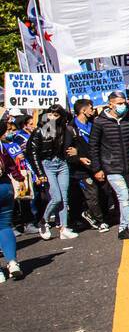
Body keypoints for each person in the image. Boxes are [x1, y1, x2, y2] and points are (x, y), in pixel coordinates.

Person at [90, 91, 129, 242]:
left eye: (124, 103)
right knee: (123, 196)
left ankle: (122, 228)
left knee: (128, 198)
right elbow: (94, 146)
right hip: (111, 166)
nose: (123, 106)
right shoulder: (100, 122)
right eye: (119, 103)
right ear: (110, 104)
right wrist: (97, 168)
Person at [23, 104, 77, 240]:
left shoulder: (66, 130)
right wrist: (40, 173)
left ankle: (64, 228)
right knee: (56, 197)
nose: (52, 117)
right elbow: (32, 153)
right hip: (47, 165)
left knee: (64, 197)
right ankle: (43, 220)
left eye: (56, 115)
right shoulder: (40, 131)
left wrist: (75, 151)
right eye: (50, 114)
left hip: (62, 164)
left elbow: (74, 146)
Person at [69, 98, 109, 231]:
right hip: (82, 169)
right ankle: (99, 221)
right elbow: (68, 151)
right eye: (91, 108)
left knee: (105, 190)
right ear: (83, 110)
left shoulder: (94, 123)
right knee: (93, 194)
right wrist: (79, 156)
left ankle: (100, 215)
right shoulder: (71, 128)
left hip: (97, 163)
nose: (93, 110)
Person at [0, 141, 24, 281]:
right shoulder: (1, 145)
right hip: (4, 187)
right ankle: (13, 263)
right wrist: (19, 178)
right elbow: (10, 165)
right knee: (4, 226)